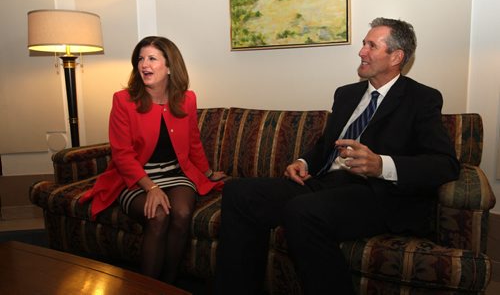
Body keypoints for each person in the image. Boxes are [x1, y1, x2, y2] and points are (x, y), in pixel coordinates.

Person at [215, 18, 460, 295]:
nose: (361, 51)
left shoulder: (421, 98)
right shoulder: (346, 94)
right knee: (238, 191)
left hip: (375, 194)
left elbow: (445, 164)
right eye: (363, 44)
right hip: (324, 185)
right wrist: (302, 162)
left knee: (303, 210)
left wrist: (381, 165)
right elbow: (325, 144)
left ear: (396, 56)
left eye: (371, 45)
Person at [80, 36, 226, 284]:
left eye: (152, 59)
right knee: (158, 215)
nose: (143, 64)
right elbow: (122, 154)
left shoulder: (187, 99)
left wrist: (208, 172)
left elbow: (193, 142)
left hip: (176, 173)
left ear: (170, 67)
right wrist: (151, 187)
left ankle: (168, 284)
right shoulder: (123, 100)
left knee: (180, 213)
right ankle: (146, 288)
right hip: (136, 178)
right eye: (140, 58)